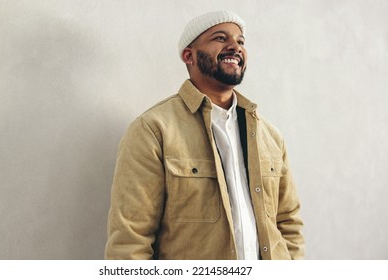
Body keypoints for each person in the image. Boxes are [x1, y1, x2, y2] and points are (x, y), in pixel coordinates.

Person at [105, 10, 304, 260]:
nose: (235, 46)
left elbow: (288, 223)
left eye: (241, 41)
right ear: (189, 56)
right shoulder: (153, 130)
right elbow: (130, 239)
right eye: (220, 38)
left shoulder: (269, 136)